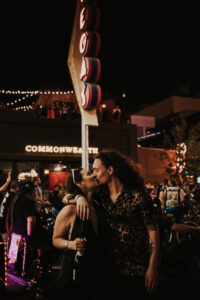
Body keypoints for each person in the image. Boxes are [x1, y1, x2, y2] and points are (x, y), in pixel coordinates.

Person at [76, 149, 160, 299]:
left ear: (110, 170)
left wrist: (153, 267)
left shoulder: (138, 195)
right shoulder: (101, 195)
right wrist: (78, 198)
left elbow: (153, 232)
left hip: (137, 268)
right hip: (110, 269)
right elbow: (67, 195)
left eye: (96, 170)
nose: (93, 174)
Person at [52, 168, 108, 300]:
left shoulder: (97, 204)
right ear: (80, 183)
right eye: (88, 174)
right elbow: (55, 239)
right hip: (74, 274)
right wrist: (71, 244)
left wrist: (76, 197)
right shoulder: (70, 210)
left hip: (96, 272)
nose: (94, 175)